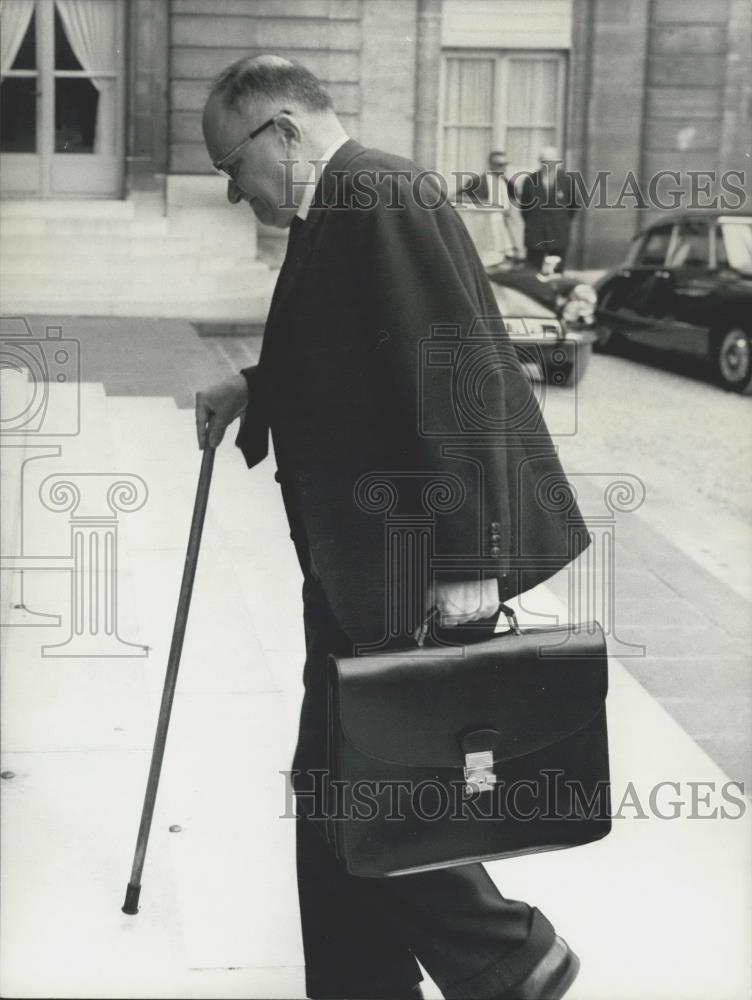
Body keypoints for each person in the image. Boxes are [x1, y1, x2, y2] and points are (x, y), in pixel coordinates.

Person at [196, 56, 589, 1000]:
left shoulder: (378, 194)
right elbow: (349, 354)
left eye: (228, 166)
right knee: (334, 786)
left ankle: (508, 955)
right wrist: (251, 389)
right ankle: (357, 980)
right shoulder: (336, 207)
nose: (230, 191)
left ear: (280, 130)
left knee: (364, 786)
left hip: (408, 562)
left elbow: (454, 374)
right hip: (357, 564)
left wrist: (466, 561)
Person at [514, 147, 580, 272]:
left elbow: (573, 207)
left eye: (552, 161)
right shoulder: (530, 181)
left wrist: (561, 222)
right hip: (536, 235)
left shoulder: (566, 180)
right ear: (540, 162)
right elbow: (525, 209)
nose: (548, 165)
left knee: (557, 272)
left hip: (558, 233)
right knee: (532, 272)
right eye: (545, 161)